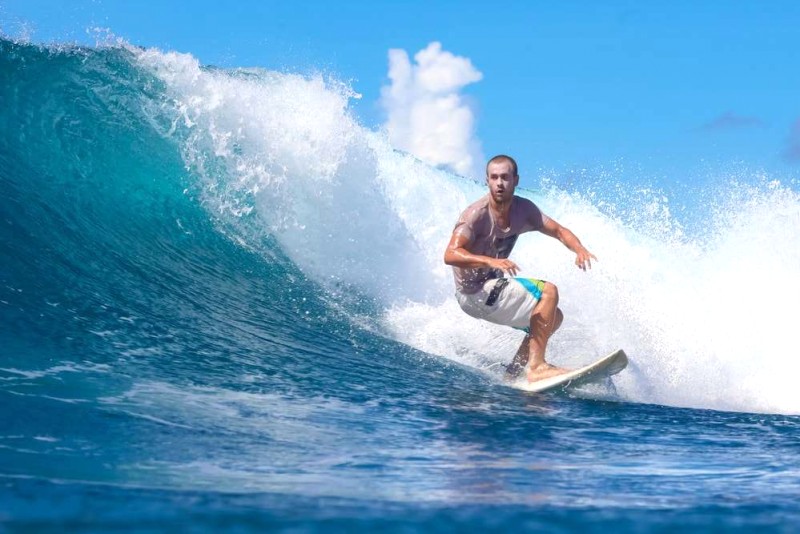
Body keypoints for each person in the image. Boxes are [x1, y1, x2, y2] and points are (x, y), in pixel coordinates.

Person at [443, 155, 597, 383]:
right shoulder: (476, 215)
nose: (499, 183)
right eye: (494, 178)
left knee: (552, 317)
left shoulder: (524, 211)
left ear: (516, 180)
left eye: (505, 177)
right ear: (487, 181)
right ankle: (537, 367)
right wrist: (490, 261)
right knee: (548, 291)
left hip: (489, 293)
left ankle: (512, 374)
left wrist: (579, 249)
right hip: (473, 292)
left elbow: (558, 230)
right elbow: (450, 254)